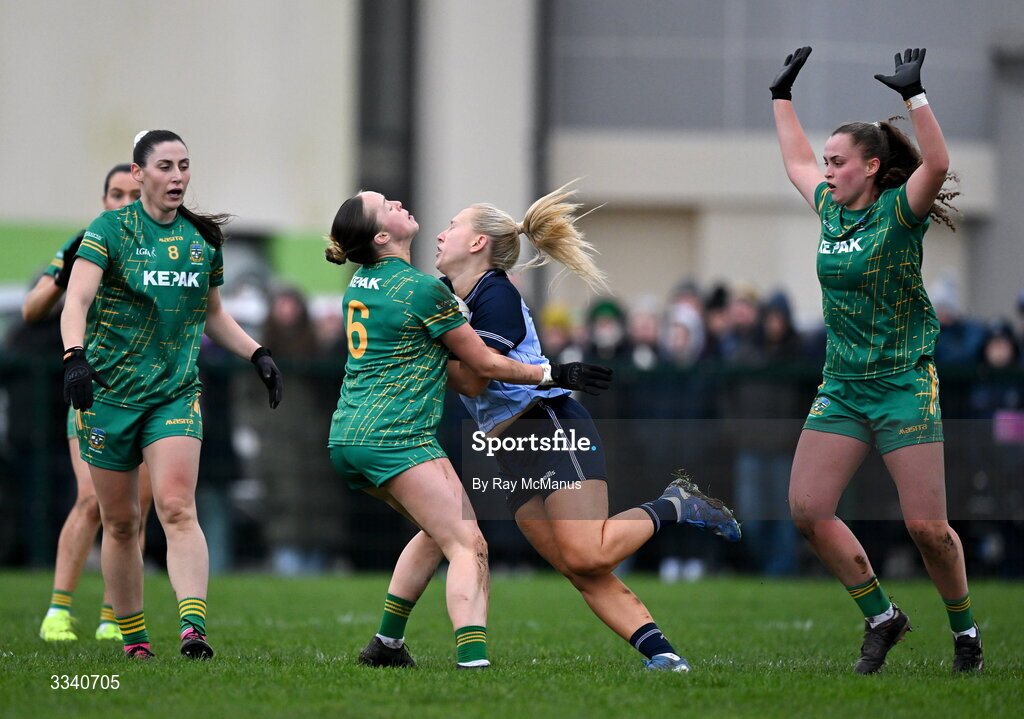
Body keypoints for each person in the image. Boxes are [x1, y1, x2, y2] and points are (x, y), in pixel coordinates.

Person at [356, 183, 741, 672]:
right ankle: (661, 653)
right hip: (509, 448)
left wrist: (408, 364)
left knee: (588, 551)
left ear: (478, 243)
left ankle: (677, 503)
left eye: (452, 225)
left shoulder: (493, 293)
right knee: (578, 568)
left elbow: (475, 381)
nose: (440, 234)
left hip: (547, 426)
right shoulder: (451, 297)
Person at [325, 189, 611, 669]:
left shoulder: (360, 282)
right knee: (468, 543)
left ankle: (386, 645)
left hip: (347, 438)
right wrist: (554, 373)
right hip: (397, 439)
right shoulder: (423, 290)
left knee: (437, 533)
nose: (398, 203)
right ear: (381, 235)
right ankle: (473, 662)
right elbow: (482, 364)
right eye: (387, 206)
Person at [771, 46, 983, 672]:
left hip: (902, 384)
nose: (826, 170)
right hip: (842, 386)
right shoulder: (831, 210)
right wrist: (781, 95)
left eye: (839, 162)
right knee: (808, 511)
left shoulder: (899, 211)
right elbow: (795, 159)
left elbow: (938, 162)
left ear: (871, 166)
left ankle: (965, 633)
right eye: (828, 162)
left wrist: (914, 95)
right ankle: (883, 617)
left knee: (927, 530)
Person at [60, 130, 284, 660]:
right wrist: (74, 357)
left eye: (184, 165)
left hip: (175, 395)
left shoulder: (199, 241)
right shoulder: (108, 231)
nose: (178, 176)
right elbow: (77, 301)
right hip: (110, 395)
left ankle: (192, 630)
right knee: (119, 523)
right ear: (138, 175)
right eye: (165, 166)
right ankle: (135, 639)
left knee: (178, 509)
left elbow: (214, 316)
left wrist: (258, 354)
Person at [28, 164, 155, 642]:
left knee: (133, 511)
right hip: (95, 391)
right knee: (91, 499)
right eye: (115, 194)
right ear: (103, 200)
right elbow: (30, 309)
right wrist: (66, 280)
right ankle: (58, 611)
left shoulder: (165, 245)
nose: (124, 203)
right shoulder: (88, 243)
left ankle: (113, 617)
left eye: (131, 194)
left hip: (151, 394)